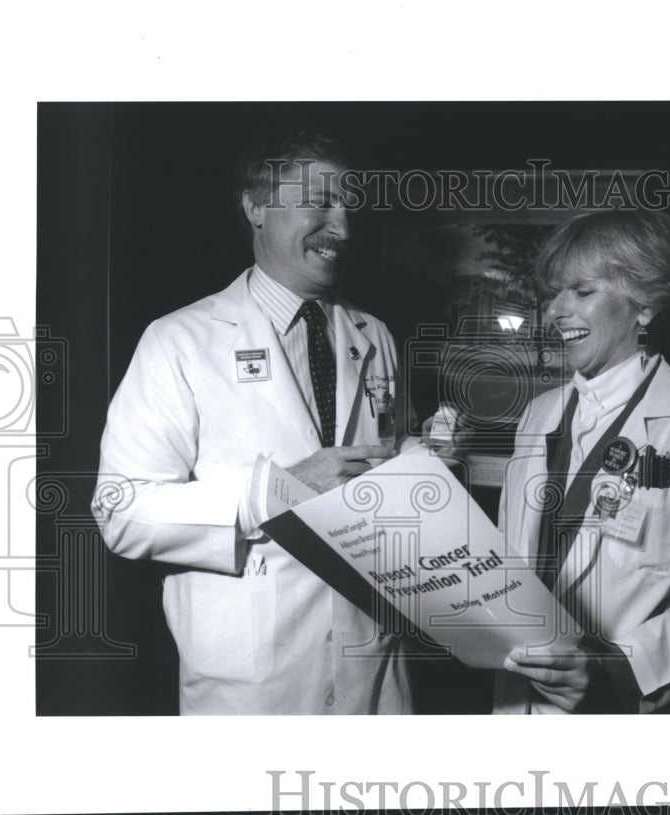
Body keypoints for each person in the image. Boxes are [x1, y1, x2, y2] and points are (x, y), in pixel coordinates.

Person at [91, 132, 410, 715]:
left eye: (349, 206)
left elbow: (380, 469)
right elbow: (119, 511)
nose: (342, 226)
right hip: (252, 685)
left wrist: (421, 468)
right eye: (320, 201)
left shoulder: (375, 335)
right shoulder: (180, 340)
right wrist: (272, 494)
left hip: (373, 661)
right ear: (256, 207)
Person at [493, 209, 670, 713]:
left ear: (645, 306)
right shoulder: (536, 416)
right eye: (555, 291)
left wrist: (610, 672)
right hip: (513, 709)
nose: (555, 309)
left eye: (583, 291)